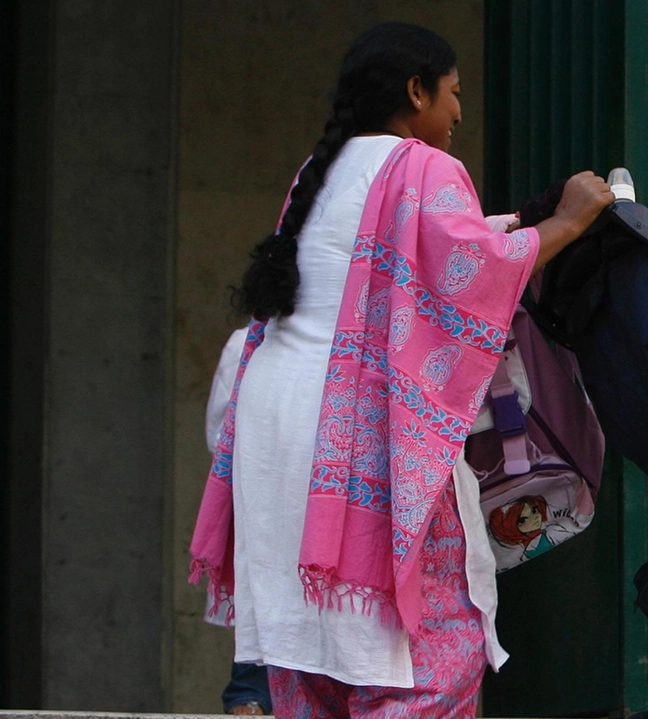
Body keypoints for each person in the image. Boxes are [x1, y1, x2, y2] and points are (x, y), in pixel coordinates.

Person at [189, 22, 613, 719]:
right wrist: (568, 222)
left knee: (313, 660)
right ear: (415, 91)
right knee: (435, 653)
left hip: (274, 435)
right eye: (451, 93)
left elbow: (409, 263)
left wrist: (513, 227)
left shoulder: (316, 173)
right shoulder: (424, 167)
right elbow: (468, 272)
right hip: (356, 429)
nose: (459, 113)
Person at [204, 328, 272, 716]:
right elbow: (222, 435)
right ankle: (250, 701)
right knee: (265, 605)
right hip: (269, 497)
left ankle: (250, 699)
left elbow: (219, 433)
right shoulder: (250, 338)